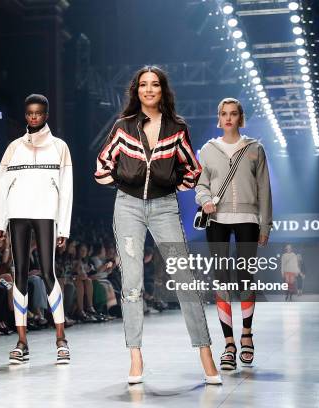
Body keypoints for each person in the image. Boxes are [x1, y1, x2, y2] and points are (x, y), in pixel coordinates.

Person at [94, 65, 220, 385]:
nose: (149, 90)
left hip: (165, 208)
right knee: (132, 283)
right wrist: (126, 182)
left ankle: (206, 354)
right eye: (143, 85)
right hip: (128, 208)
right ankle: (135, 357)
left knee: (184, 279)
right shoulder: (123, 126)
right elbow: (101, 167)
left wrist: (171, 185)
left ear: (163, 90)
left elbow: (193, 170)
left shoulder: (177, 128)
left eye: (155, 85)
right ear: (136, 91)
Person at [0, 94, 73, 364]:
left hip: (46, 215)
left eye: (38, 113)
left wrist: (64, 226)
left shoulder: (59, 147)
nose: (33, 117)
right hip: (18, 214)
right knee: (20, 275)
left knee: (49, 273)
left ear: (46, 114)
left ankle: (61, 340)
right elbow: (0, 182)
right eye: (29, 113)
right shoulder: (14, 147)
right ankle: (22, 341)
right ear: (26, 114)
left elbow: (67, 188)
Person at [195, 97, 272, 371]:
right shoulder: (208, 150)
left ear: (241, 117)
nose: (228, 118)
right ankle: (229, 343)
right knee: (221, 279)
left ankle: (247, 335)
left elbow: (264, 189)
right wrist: (204, 199)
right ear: (219, 118)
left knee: (246, 276)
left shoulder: (255, 149)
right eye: (224, 113)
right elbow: (200, 184)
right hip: (217, 218)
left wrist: (266, 225)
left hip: (248, 218)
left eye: (233, 114)